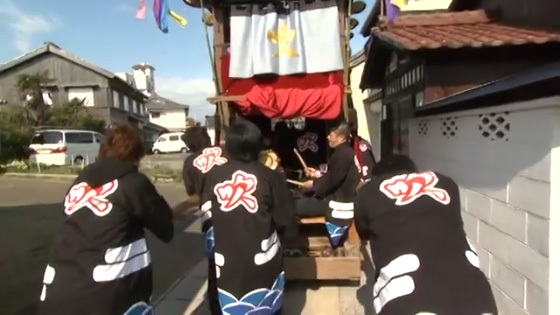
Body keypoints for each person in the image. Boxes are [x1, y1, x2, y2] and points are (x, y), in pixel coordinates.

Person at [38, 124, 175, 315]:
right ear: (137, 155)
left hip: (56, 289)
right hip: (106, 294)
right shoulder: (134, 183)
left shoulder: (80, 182)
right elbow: (166, 228)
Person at [354, 155, 498, 314]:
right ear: (415, 171)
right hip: (476, 295)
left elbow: (363, 232)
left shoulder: (368, 191)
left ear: (377, 177)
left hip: (407, 298)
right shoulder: (445, 182)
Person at [201, 119, 298, 314]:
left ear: (228, 146)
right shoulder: (270, 176)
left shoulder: (213, 175)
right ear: (258, 145)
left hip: (226, 262)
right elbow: (287, 222)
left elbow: (207, 220)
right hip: (262, 260)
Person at [180, 126, 227, 314]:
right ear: (206, 138)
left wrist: (180, 209)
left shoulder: (190, 162)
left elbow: (193, 195)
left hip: (211, 218)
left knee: (215, 265)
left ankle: (217, 307)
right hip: (239, 213)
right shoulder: (227, 151)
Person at [296, 121, 360, 247]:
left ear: (341, 138)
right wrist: (317, 175)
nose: (328, 137)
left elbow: (332, 181)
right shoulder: (344, 153)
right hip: (336, 198)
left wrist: (313, 185)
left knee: (292, 205)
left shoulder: (343, 155)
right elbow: (333, 176)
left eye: (331, 135)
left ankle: (293, 242)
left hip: (339, 204)